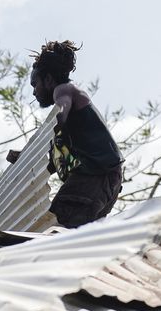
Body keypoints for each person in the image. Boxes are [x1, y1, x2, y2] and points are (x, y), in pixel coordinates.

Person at [8, 40, 124, 227]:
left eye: (34, 84)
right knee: (78, 237)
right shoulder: (74, 124)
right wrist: (25, 157)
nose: (34, 92)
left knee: (56, 227)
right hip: (105, 180)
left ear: (48, 80)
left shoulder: (63, 90)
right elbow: (56, 155)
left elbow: (62, 108)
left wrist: (60, 118)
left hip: (94, 178)